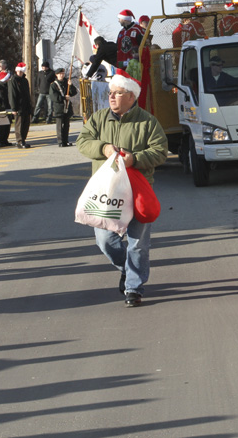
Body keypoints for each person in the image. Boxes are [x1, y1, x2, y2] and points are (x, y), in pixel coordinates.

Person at [76, 70, 168, 307]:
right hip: (106, 192)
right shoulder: (98, 119)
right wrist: (104, 148)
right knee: (105, 240)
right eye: (110, 93)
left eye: (118, 93)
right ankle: (127, 269)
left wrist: (134, 159)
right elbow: (83, 142)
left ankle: (134, 289)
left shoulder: (148, 121)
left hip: (137, 191)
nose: (112, 97)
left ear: (131, 96)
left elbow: (160, 152)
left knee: (138, 243)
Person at [49, 68, 78, 146]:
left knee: (66, 125)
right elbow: (53, 97)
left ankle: (66, 140)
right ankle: (60, 141)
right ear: (57, 75)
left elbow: (73, 92)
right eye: (60, 74)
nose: (62, 75)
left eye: (63, 73)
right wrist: (64, 97)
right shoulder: (53, 85)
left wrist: (71, 85)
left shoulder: (66, 83)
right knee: (60, 125)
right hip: (59, 107)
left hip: (67, 106)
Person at [8, 62, 33, 149]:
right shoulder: (13, 80)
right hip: (18, 106)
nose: (20, 73)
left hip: (26, 105)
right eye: (18, 71)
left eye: (21, 72)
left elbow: (27, 94)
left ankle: (24, 140)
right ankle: (19, 141)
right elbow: (12, 95)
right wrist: (13, 108)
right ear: (16, 71)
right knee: (19, 124)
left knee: (26, 124)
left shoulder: (25, 80)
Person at [0, 59, 13, 147]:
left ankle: (5, 139)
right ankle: (1, 140)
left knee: (8, 122)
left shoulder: (9, 74)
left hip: (8, 103)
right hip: (1, 105)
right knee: (2, 123)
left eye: (0, 66)